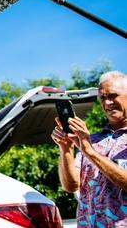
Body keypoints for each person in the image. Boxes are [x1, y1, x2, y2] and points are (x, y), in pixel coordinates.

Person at [52, 70, 127, 226]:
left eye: (112, 96)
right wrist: (66, 149)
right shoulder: (92, 139)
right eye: (103, 98)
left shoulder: (87, 144)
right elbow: (72, 186)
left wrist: (89, 150)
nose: (107, 103)